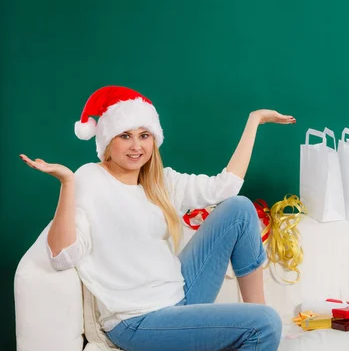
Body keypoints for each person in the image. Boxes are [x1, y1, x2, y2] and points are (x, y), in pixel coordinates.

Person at [20, 85, 295, 351]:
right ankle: (258, 326)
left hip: (179, 299)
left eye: (144, 135)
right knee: (266, 323)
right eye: (125, 136)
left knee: (239, 208)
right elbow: (61, 257)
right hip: (136, 322)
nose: (136, 146)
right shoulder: (90, 179)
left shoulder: (160, 181)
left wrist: (254, 120)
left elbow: (225, 187)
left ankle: (254, 313)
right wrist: (67, 184)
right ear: (107, 141)